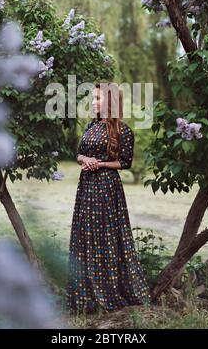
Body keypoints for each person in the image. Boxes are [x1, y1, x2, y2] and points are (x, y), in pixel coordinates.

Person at [66, 82, 151, 315]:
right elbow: (78, 154)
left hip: (106, 187)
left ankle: (108, 291)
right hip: (86, 187)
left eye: (98, 99)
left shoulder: (123, 131)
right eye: (93, 99)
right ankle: (85, 296)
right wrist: (85, 159)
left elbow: (125, 162)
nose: (93, 103)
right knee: (86, 235)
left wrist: (100, 163)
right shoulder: (91, 125)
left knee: (105, 237)